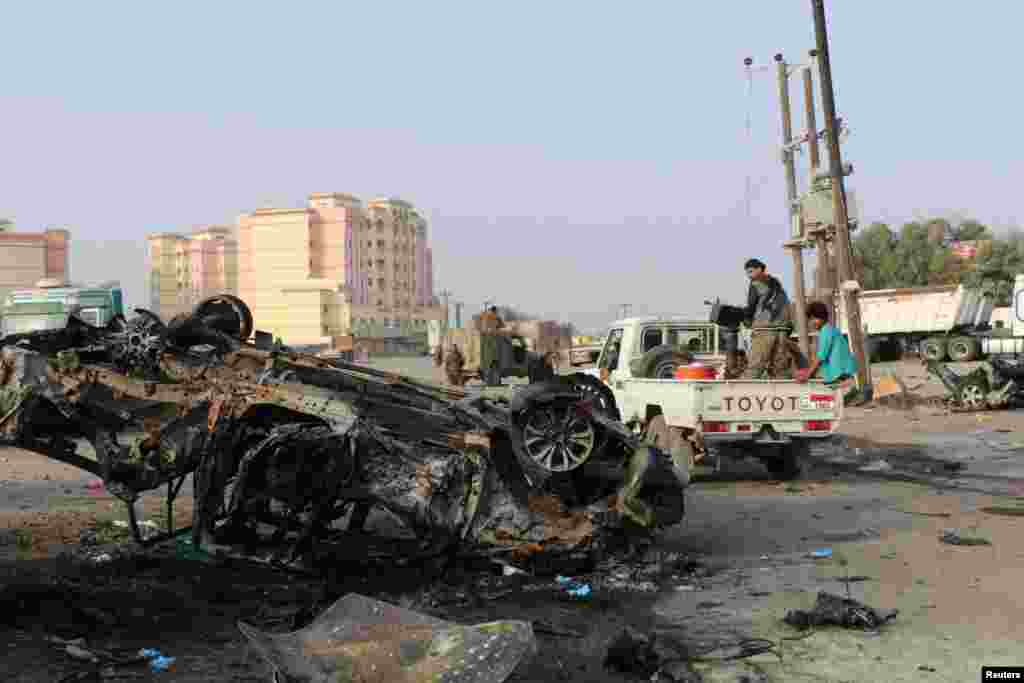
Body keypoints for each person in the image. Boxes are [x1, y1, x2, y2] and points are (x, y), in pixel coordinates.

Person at [740, 258, 793, 379]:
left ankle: (743, 390)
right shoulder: (776, 283)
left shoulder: (755, 284)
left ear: (760, 269)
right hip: (781, 329)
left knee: (755, 365)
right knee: (780, 366)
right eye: (747, 272)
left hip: (764, 328)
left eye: (751, 271)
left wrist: (745, 318)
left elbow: (751, 305)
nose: (749, 275)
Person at [796, 301, 857, 385]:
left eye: (814, 318)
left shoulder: (826, 331)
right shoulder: (832, 330)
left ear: (823, 318)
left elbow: (820, 357)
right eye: (810, 319)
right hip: (844, 373)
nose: (811, 322)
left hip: (840, 375)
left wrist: (807, 375)